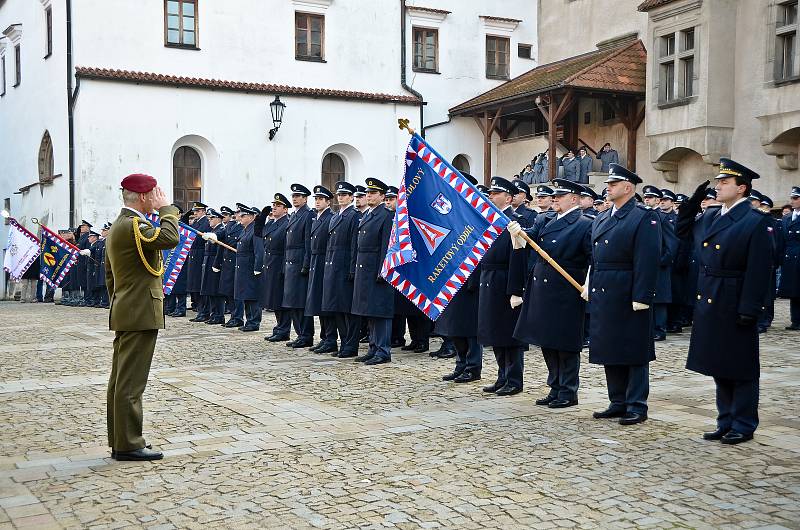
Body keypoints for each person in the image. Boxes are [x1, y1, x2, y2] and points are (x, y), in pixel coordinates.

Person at [677, 159, 773, 444]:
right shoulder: (712, 215)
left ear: (741, 188)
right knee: (719, 363)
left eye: (725, 182)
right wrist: (692, 203)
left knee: (740, 366)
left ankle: (743, 423)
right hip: (710, 294)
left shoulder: (755, 220)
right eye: (718, 182)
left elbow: (759, 271)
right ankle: (725, 419)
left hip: (734, 297)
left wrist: (750, 308)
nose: (718, 186)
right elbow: (682, 232)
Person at [105, 173, 179, 461]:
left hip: (128, 309)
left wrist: (120, 302)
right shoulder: (134, 225)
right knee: (131, 383)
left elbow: (110, 275)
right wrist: (167, 210)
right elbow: (170, 238)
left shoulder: (119, 226)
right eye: (155, 194)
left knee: (121, 380)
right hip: (139, 312)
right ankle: (128, 443)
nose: (158, 198)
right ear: (146, 197)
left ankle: (121, 440)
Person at [586, 164, 660, 426]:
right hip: (605, 289)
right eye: (608, 184)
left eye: (613, 184)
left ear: (628, 187)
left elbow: (647, 259)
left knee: (633, 349)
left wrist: (642, 295)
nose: (608, 188)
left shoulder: (643, 217)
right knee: (610, 346)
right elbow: (595, 259)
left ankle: (636, 404)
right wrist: (589, 285)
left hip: (628, 289)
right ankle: (617, 400)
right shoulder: (603, 217)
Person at [509, 179, 592, 407]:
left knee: (564, 343)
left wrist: (588, 283)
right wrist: (519, 232)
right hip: (542, 287)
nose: (554, 199)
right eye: (553, 196)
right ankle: (555, 386)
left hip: (566, 289)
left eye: (559, 196)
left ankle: (568, 390)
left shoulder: (584, 223)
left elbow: (593, 259)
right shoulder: (545, 219)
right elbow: (531, 237)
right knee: (547, 340)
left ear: (574, 199)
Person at [479, 177, 528, 396]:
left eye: (495, 193)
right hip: (489, 278)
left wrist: (516, 290)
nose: (491, 196)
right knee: (495, 331)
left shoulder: (513, 221)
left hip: (505, 279)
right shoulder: (490, 220)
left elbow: (518, 257)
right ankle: (502, 376)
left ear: (508, 197)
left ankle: (514, 379)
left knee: (509, 333)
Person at [438, 173, 483, 383]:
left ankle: (473, 366)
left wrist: (474, 279)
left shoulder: (479, 214)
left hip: (471, 279)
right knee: (454, 326)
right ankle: (460, 363)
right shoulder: (452, 213)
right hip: (451, 276)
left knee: (470, 327)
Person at [351, 178, 395, 365]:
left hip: (377, 269)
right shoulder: (368, 215)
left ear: (382, 196)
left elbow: (387, 246)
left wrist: (382, 271)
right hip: (364, 268)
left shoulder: (386, 216)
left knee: (380, 312)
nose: (368, 195)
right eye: (367, 193)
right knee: (369, 311)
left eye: (373, 193)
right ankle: (373, 347)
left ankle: (383, 350)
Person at [322, 181, 362, 358]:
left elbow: (354, 244)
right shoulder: (335, 216)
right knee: (336, 307)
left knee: (347, 309)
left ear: (352, 197)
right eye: (339, 195)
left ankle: (350, 344)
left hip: (345, 266)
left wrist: (353, 268)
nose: (341, 198)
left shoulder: (354, 215)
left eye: (345, 195)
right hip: (333, 266)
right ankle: (344, 342)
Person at [282, 184, 315, 347]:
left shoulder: (308, 215)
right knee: (292, 301)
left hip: (300, 261)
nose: (294, 199)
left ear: (305, 198)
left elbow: (308, 242)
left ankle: (306, 334)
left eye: (298, 196)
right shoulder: (295, 215)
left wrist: (306, 264)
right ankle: (299, 333)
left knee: (301, 302)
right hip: (290, 261)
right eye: (293, 196)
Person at [305, 185, 337, 353]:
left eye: (320, 199)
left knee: (327, 302)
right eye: (316, 199)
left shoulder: (330, 217)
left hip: (326, 260)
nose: (317, 202)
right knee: (318, 301)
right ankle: (325, 337)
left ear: (328, 202)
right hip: (316, 261)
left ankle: (330, 338)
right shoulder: (317, 218)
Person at [642, 186, 676, 342]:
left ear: (657, 200)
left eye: (650, 197)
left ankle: (659, 329)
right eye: (645, 197)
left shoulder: (662, 217)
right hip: (646, 264)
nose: (647, 200)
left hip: (659, 266)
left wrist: (661, 261)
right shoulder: (643, 215)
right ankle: (649, 328)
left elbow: (671, 244)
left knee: (660, 299)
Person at [261, 196, 291, 340]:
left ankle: (284, 329)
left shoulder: (286, 223)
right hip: (270, 263)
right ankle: (279, 327)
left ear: (285, 209)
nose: (274, 207)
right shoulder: (273, 223)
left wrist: (284, 267)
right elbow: (260, 234)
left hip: (279, 263)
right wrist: (262, 217)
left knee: (280, 298)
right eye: (273, 205)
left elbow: (287, 247)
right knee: (273, 298)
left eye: (278, 205)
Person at [233, 205, 263, 332]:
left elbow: (259, 251)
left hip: (250, 268)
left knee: (253, 296)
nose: (240, 217)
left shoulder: (255, 230)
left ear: (251, 217)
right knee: (246, 295)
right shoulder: (245, 229)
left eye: (243, 215)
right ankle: (249, 320)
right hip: (243, 268)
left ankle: (254, 322)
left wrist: (257, 267)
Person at [215, 205, 245, 327]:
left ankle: (238, 317)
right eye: (236, 212)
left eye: (239, 212)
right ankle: (233, 316)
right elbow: (221, 234)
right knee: (228, 292)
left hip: (236, 262)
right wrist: (213, 236)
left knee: (236, 293)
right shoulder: (231, 225)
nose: (236, 214)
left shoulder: (243, 227)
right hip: (227, 263)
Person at [778, 186, 800, 330]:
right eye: (792, 198)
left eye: (795, 198)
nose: (792, 201)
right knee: (794, 292)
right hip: (790, 260)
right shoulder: (786, 218)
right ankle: (795, 320)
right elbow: (782, 241)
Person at [200, 209, 227, 325]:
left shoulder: (221, 229)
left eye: (212, 218)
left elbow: (219, 247)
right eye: (209, 218)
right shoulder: (213, 230)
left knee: (215, 290)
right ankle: (213, 314)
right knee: (209, 290)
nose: (209, 220)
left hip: (215, 261)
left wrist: (217, 264)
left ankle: (219, 315)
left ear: (218, 219)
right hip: (208, 260)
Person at [187, 202, 210, 321]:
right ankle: (200, 311)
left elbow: (198, 238)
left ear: (203, 211)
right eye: (194, 211)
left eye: (197, 211)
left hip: (200, 254)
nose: (195, 213)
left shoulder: (205, 222)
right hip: (194, 254)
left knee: (200, 285)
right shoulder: (196, 222)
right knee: (194, 285)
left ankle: (204, 311)